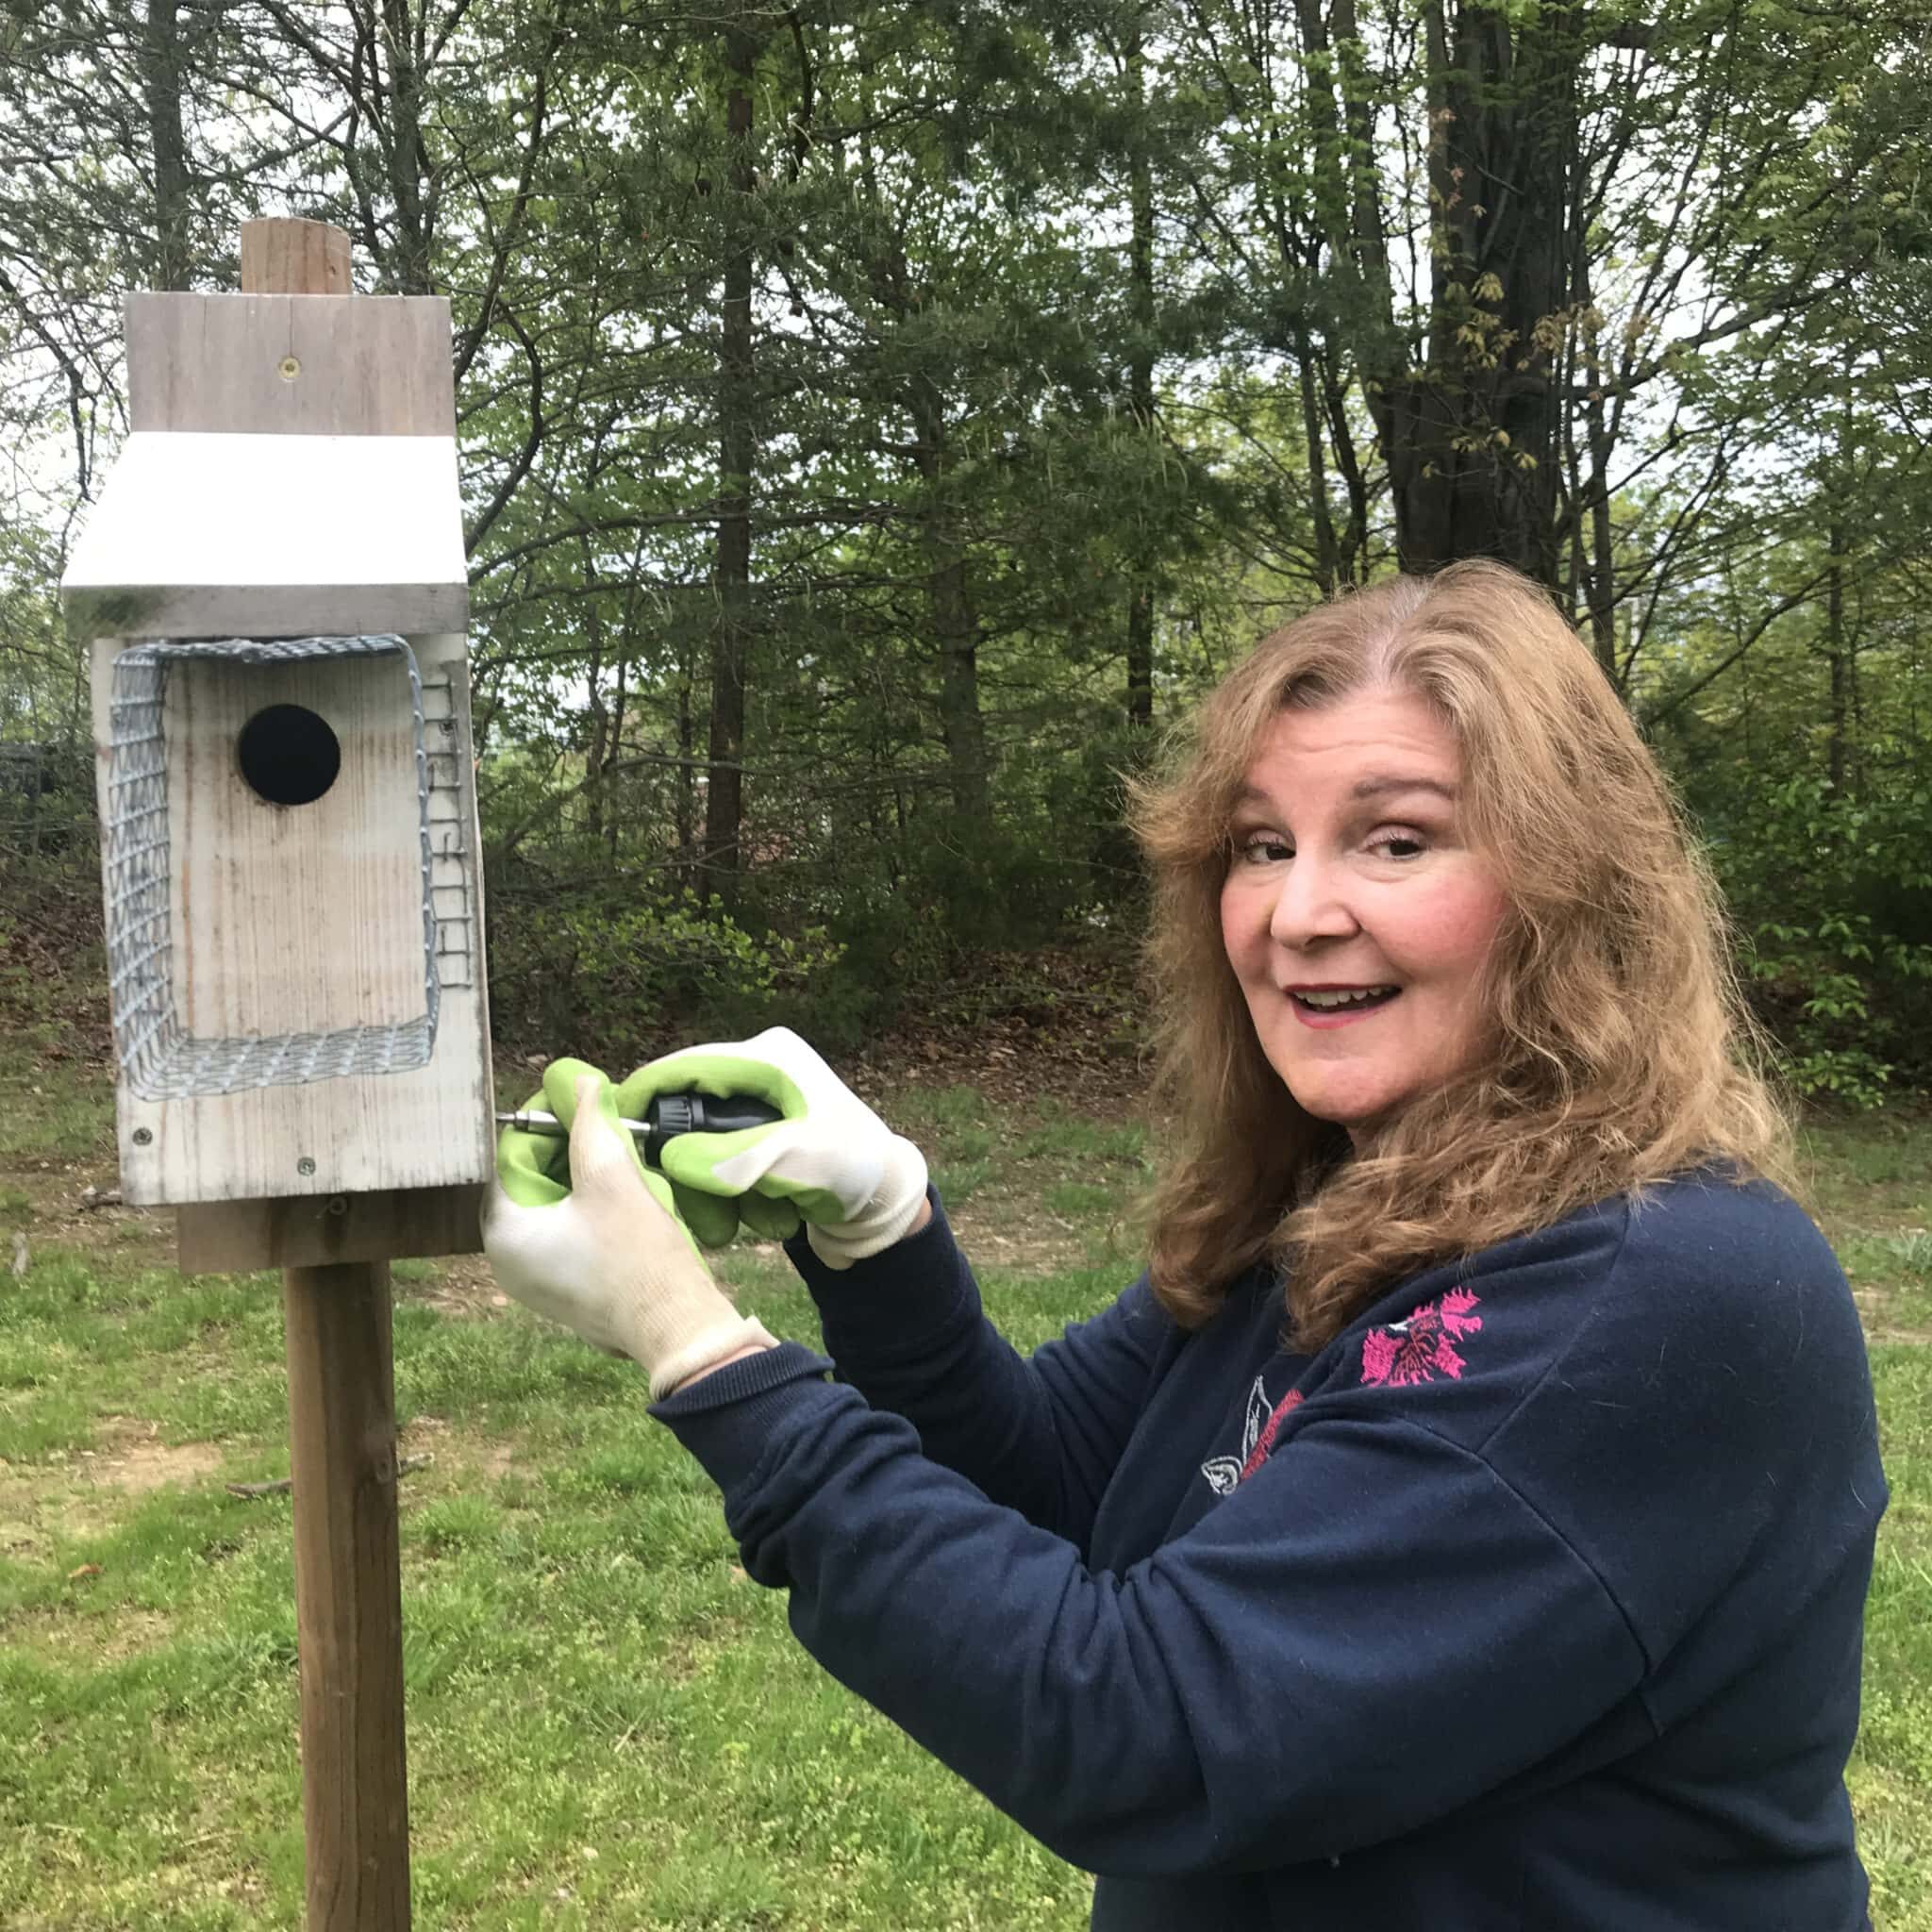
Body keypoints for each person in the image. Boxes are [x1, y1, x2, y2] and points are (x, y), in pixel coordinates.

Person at [484, 560, 1886, 1930]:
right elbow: (1056, 1487)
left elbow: (1151, 1730)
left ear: (1576, 887)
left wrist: (705, 1354)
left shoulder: (1653, 1290)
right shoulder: (1344, 1199)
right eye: (1263, 846)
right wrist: (881, 1229)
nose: (1297, 913)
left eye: (1396, 839)